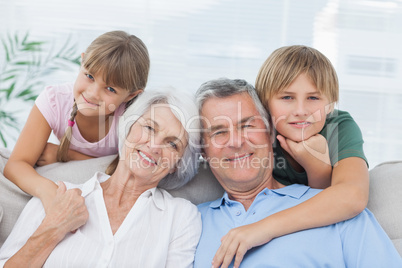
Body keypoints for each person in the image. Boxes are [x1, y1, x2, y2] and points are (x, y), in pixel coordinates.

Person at [193, 78, 401, 268]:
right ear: (203, 149)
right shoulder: (188, 222)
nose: (236, 142)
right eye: (219, 132)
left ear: (270, 133)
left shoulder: (338, 211)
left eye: (248, 126)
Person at [0, 89, 202, 267]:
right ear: (128, 129)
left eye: (172, 144)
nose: (154, 146)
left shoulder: (181, 217)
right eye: (149, 128)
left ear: (178, 164)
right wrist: (53, 228)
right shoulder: (55, 196)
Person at [210, 46, 371, 267]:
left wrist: (263, 228)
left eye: (314, 98)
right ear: (264, 105)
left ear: (330, 104)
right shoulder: (259, 136)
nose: (301, 110)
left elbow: (351, 197)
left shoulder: (338, 127)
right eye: (287, 97)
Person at [3, 30, 150, 213]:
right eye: (89, 76)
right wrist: (48, 191)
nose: (93, 93)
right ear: (82, 62)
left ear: (132, 95)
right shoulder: (54, 101)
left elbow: (130, 169)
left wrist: (65, 155)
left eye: (110, 89)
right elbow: (16, 165)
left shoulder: (133, 119)